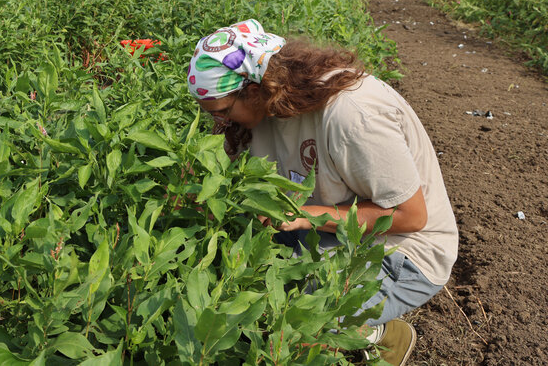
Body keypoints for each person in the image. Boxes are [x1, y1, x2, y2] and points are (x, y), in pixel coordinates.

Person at [186, 19, 458, 366]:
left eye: (224, 112)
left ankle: (381, 338)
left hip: (405, 251)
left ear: (253, 90)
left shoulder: (351, 115)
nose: (221, 123)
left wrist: (306, 216)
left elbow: (411, 217)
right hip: (328, 231)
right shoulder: (265, 108)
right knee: (249, 280)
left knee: (296, 322)